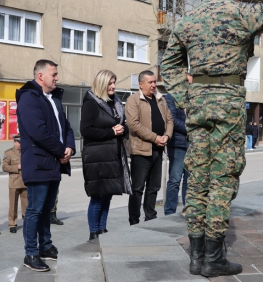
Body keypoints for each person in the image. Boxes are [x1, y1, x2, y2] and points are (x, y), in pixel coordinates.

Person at [161, 0, 263, 277]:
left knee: (197, 178)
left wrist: (187, 98)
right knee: (222, 178)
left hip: (198, 103)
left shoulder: (188, 20)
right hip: (228, 104)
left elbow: (168, 65)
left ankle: (196, 257)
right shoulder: (241, 13)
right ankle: (214, 259)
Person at [16, 59, 75, 272]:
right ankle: (30, 253)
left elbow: (66, 127)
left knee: (47, 209)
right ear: (41, 76)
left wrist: (69, 147)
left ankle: (45, 246)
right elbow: (38, 131)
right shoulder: (28, 98)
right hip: (39, 162)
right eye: (54, 74)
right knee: (35, 209)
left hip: (53, 162)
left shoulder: (53, 98)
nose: (57, 78)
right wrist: (60, 151)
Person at [81, 70, 132, 241]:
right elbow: (86, 131)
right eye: (110, 83)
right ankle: (93, 232)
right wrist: (111, 131)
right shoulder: (91, 103)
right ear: (102, 84)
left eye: (114, 83)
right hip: (97, 156)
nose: (113, 86)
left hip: (112, 154)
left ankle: (102, 229)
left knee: (108, 193)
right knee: (98, 195)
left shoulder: (115, 102)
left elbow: (119, 124)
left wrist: (123, 128)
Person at [125, 70, 173, 225]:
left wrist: (167, 136)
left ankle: (150, 218)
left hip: (158, 150)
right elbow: (134, 124)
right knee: (138, 189)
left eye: (154, 82)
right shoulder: (133, 100)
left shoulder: (161, 100)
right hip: (141, 151)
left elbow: (169, 120)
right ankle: (134, 220)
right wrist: (155, 138)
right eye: (150, 82)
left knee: (154, 187)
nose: (154, 85)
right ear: (141, 84)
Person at [164, 91, 189, 215]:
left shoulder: (193, 96)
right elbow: (172, 120)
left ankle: (188, 210)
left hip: (192, 145)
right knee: (175, 180)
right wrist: (191, 128)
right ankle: (170, 212)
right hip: (177, 145)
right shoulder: (171, 97)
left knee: (189, 181)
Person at [2, 134, 27, 233]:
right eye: (18, 142)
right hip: (14, 181)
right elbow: (4, 167)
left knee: (26, 204)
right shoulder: (9, 153)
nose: (20, 144)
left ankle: (26, 221)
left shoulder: (26, 151)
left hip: (25, 181)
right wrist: (17, 167)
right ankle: (12, 223)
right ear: (14, 142)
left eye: (21, 142)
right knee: (13, 204)